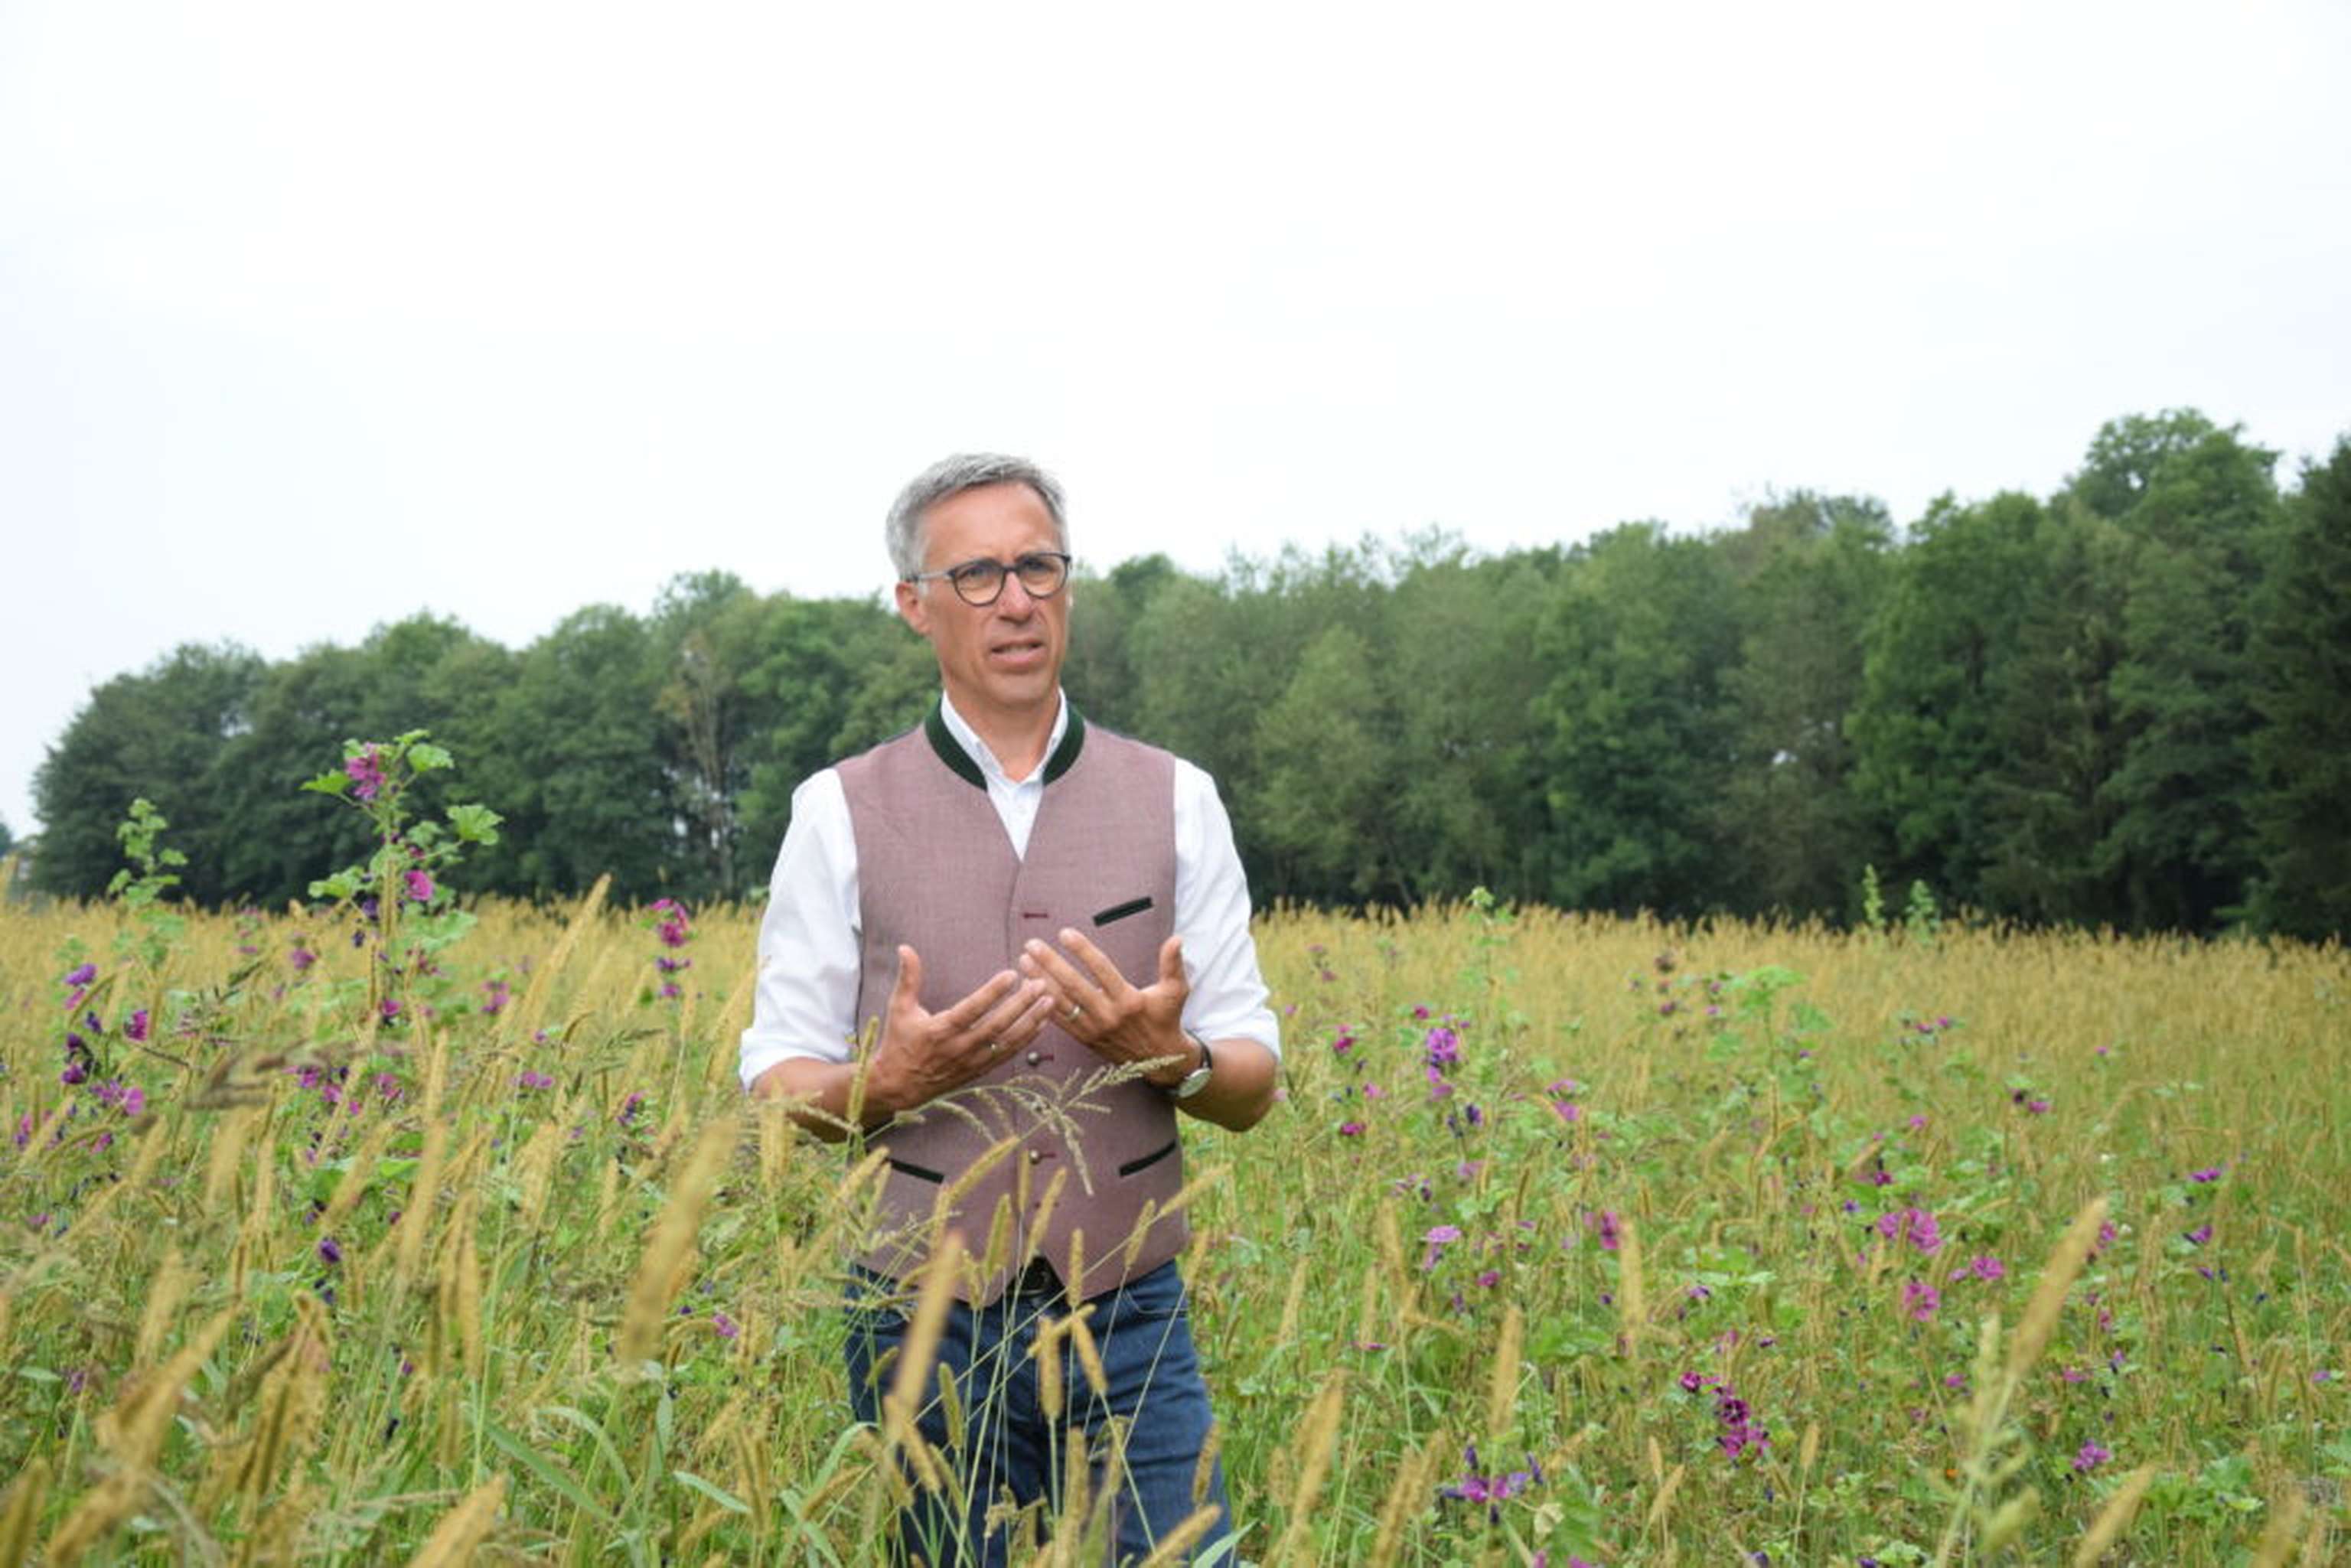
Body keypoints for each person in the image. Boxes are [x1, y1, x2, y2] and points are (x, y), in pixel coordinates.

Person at [740, 452, 1281, 1565]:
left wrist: (1168, 1057)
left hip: (1132, 1310)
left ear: (1069, 585)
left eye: (1038, 565)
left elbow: (1253, 1076)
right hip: (920, 1318)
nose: (1017, 599)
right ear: (913, 605)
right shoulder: (836, 810)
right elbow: (777, 1078)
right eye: (978, 574)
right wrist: (884, 1087)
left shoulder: (1179, 797)